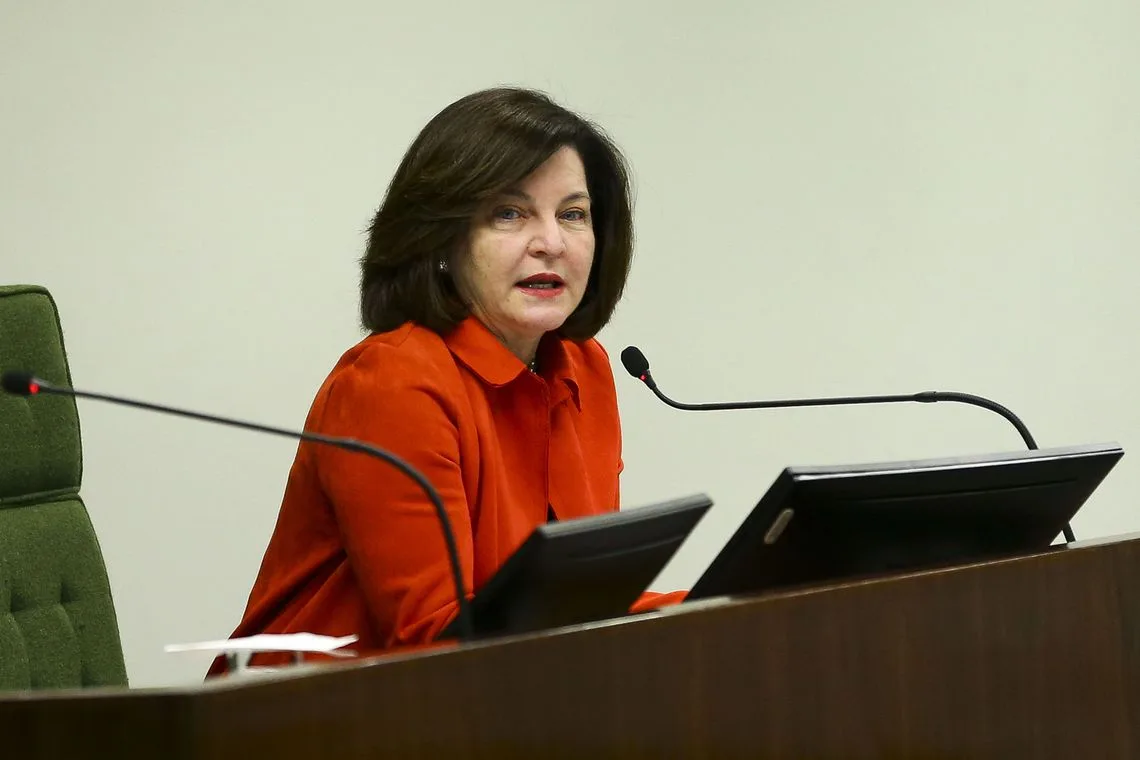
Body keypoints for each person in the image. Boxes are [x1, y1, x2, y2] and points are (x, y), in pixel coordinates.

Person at [209, 87, 682, 674]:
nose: (551, 242)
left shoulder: (583, 367)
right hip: (314, 716)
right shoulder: (394, 380)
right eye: (509, 213)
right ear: (441, 238)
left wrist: (736, 602)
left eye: (572, 214)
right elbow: (432, 643)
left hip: (493, 700)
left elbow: (572, 605)